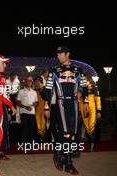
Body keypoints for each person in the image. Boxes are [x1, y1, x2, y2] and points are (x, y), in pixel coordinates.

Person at [44, 46, 89, 175]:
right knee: (65, 133)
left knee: (73, 133)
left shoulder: (78, 70)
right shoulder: (54, 70)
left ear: (67, 54)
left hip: (74, 103)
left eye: (60, 54)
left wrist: (85, 101)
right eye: (57, 54)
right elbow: (48, 89)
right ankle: (67, 161)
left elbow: (84, 86)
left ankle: (60, 155)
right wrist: (46, 106)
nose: (58, 56)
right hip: (61, 103)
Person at [16, 76, 38, 143]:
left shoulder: (34, 92)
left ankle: (30, 144)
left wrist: (35, 104)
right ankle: (24, 144)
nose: (30, 82)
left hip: (32, 113)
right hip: (24, 113)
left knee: (31, 130)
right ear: (25, 82)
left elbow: (36, 102)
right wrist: (26, 107)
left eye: (31, 81)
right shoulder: (21, 91)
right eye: (28, 81)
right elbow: (18, 102)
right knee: (24, 129)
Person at [82, 79, 101, 151]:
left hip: (92, 108)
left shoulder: (95, 86)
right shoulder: (81, 86)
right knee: (87, 127)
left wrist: (99, 110)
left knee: (91, 125)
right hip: (84, 109)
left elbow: (98, 99)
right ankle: (90, 143)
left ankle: (92, 144)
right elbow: (79, 99)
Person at [34, 76, 46, 140]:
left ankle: (44, 138)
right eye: (35, 81)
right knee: (38, 124)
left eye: (38, 81)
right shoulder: (34, 89)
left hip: (44, 109)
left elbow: (46, 98)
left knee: (44, 124)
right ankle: (40, 138)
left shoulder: (44, 88)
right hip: (37, 110)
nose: (36, 82)